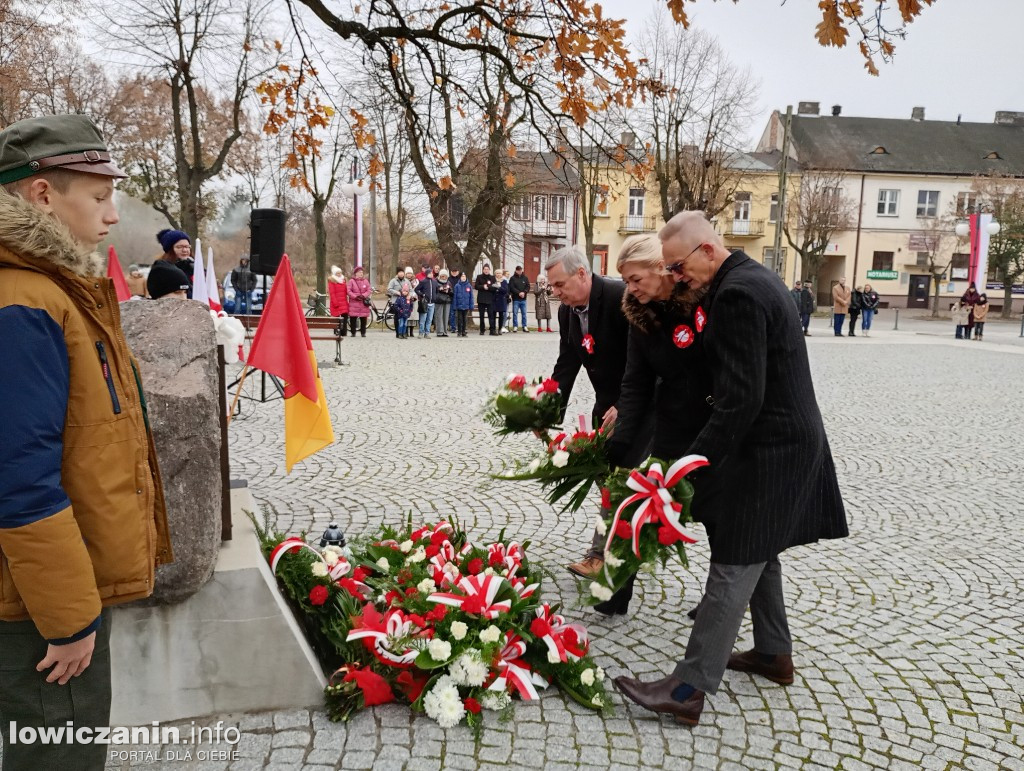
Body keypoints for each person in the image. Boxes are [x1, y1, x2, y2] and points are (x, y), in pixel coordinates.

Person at [613, 211, 847, 727]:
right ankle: (773, 653)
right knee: (758, 547)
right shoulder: (741, 281)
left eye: (678, 266)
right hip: (772, 441)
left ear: (706, 251)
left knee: (738, 553)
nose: (677, 277)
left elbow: (740, 401)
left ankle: (688, 686)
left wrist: (689, 467)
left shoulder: (739, 293)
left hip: (772, 447)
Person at [0, 114, 172, 770]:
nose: (110, 215)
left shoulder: (52, 290)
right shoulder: (24, 301)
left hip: (44, 593)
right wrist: (68, 618)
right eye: (98, 197)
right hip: (37, 613)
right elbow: (19, 475)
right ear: (42, 195)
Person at [602, 234, 713, 616]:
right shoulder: (638, 313)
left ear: (660, 268)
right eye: (627, 281)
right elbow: (635, 382)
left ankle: (719, 600)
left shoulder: (700, 302)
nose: (630, 288)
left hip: (712, 424)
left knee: (718, 515)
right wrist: (621, 445)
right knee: (638, 503)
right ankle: (615, 591)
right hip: (667, 421)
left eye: (636, 279)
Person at [547, 245, 650, 579]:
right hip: (606, 405)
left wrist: (624, 405)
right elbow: (567, 362)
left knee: (620, 482)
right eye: (551, 286)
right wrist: (545, 411)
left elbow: (647, 361)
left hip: (639, 405)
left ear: (582, 274)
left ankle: (602, 557)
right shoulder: (567, 312)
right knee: (607, 480)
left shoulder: (622, 298)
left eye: (559, 284)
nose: (555, 292)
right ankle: (621, 545)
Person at [155, 227, 194, 296]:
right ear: (169, 250)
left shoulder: (196, 268)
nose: (185, 250)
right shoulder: (161, 271)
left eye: (187, 247)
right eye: (179, 247)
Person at [346, 266, 372, 337]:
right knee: (353, 318)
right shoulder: (351, 281)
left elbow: (369, 290)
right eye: (359, 272)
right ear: (356, 273)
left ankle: (363, 332)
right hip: (354, 303)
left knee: (363, 318)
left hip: (363, 303)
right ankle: (353, 332)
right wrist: (355, 296)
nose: (361, 273)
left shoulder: (365, 281)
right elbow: (348, 291)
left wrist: (363, 295)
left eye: (362, 272)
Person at [474, 264, 497, 335]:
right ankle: (482, 329)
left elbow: (495, 287)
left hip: (490, 299)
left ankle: (492, 330)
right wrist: (483, 286)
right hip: (481, 299)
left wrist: (488, 287)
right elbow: (476, 286)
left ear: (489, 270)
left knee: (491, 315)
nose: (486, 270)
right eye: (485, 269)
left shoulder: (492, 278)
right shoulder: (479, 277)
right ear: (483, 270)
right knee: (481, 315)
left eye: (487, 269)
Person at [415, 269, 438, 338]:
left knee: (429, 319)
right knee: (423, 319)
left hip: (432, 303)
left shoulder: (434, 282)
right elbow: (416, 289)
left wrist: (435, 297)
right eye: (430, 273)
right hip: (424, 302)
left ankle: (427, 333)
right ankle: (421, 332)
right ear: (427, 274)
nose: (431, 274)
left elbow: (437, 290)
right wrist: (422, 294)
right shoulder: (423, 281)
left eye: (432, 273)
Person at [328, 265, 349, 336]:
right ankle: (336, 331)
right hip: (336, 302)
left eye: (340, 273)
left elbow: (346, 291)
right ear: (334, 274)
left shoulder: (343, 280)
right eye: (337, 273)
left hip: (343, 302)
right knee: (336, 318)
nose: (339, 274)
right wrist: (335, 303)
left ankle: (343, 332)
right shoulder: (332, 281)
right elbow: (332, 293)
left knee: (345, 317)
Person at [509, 265, 531, 332]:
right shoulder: (512, 278)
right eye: (518, 270)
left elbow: (528, 286)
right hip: (516, 299)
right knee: (515, 313)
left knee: (524, 313)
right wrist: (519, 293)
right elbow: (512, 288)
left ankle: (524, 326)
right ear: (516, 270)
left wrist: (524, 292)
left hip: (523, 299)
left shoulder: (525, 278)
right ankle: (515, 326)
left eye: (520, 270)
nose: (519, 271)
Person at [453, 270, 474, 336]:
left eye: (464, 276)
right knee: (459, 319)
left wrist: (471, 305)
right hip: (459, 305)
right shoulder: (457, 286)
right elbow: (455, 297)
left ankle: (463, 331)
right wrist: (455, 305)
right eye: (462, 276)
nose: (463, 277)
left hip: (466, 305)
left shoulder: (469, 285)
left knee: (465, 319)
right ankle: (459, 331)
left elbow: (471, 297)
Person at [435, 268, 453, 337]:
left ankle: (445, 331)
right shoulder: (436, 282)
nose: (443, 277)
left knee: (446, 316)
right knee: (439, 316)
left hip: (447, 301)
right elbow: (435, 290)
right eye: (442, 276)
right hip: (439, 300)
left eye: (444, 276)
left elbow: (452, 292)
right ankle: (439, 331)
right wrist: (441, 289)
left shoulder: (449, 283)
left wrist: (448, 291)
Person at [493, 269, 510, 334]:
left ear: (502, 274)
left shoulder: (504, 281)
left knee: (501, 316)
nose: (498, 274)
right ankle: (493, 329)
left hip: (501, 300)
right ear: (495, 274)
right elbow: (491, 288)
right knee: (493, 315)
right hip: (494, 300)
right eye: (497, 273)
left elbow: (505, 290)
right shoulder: (493, 280)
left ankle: (500, 329)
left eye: (500, 273)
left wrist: (499, 287)